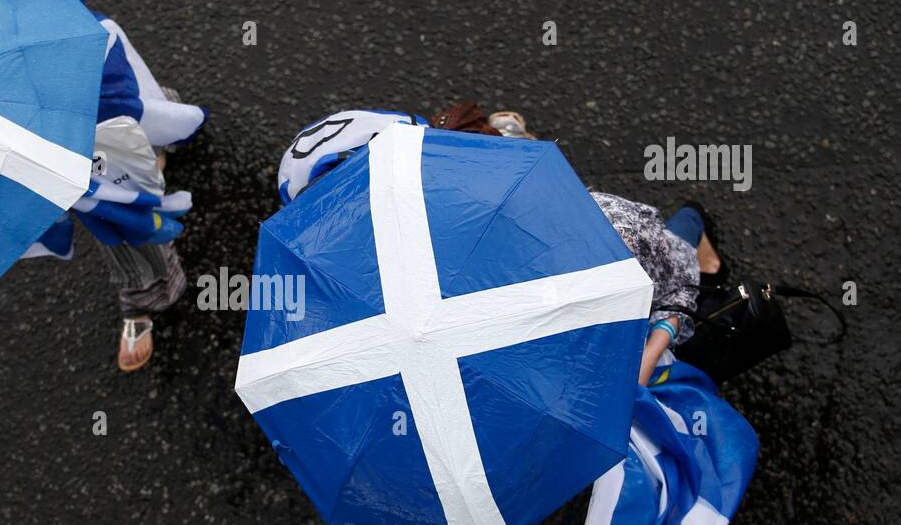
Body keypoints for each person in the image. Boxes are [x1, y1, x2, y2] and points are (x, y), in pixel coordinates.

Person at [276, 103, 725, 385]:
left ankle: (695, 225)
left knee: (681, 234)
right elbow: (672, 285)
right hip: (595, 315)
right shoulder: (593, 231)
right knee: (679, 240)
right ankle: (504, 138)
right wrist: (661, 336)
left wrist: (661, 334)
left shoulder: (345, 311)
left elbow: (674, 283)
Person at [24, 0, 209, 372]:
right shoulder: (97, 31)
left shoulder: (90, 47)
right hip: (101, 132)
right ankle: (161, 134)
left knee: (124, 223)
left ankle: (141, 300)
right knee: (147, 119)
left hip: (95, 153)